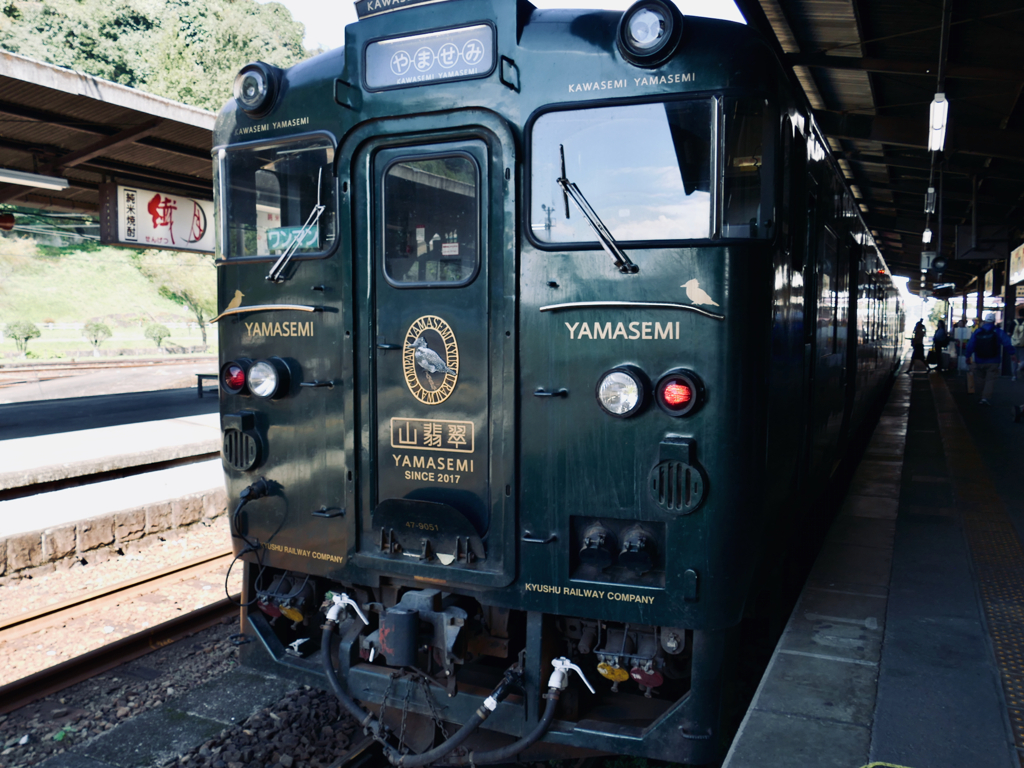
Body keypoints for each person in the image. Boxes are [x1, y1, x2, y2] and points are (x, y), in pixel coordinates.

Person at [966, 312, 1018, 405]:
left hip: (979, 360)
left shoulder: (977, 331)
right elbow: (1007, 343)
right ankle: (985, 398)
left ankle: (979, 396)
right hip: (993, 360)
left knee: (979, 378)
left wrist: (967, 356)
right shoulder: (998, 331)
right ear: (994, 321)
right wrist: (1012, 354)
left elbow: (971, 345)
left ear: (985, 321)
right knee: (990, 380)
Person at [1011, 306, 1024, 381]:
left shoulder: (1014, 322)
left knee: (1014, 360)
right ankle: (1021, 367)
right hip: (1023, 345)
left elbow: (1009, 333)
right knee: (1023, 359)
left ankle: (1014, 376)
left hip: (1014, 344)